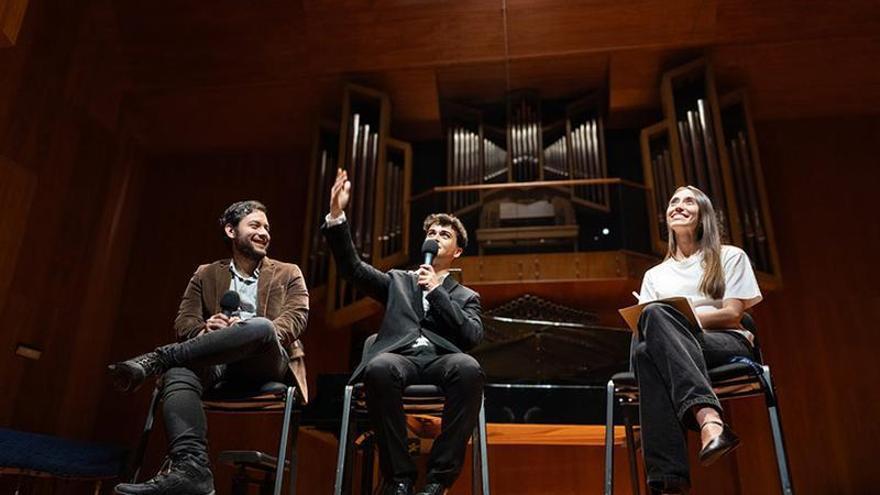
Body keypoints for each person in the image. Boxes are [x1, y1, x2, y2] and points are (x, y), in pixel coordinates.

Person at [108, 200, 309, 495]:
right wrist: (205, 329)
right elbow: (184, 322)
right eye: (255, 225)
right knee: (177, 373)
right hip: (216, 361)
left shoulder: (289, 272)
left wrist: (244, 332)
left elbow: (295, 319)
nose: (264, 233)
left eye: (267, 227)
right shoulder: (205, 273)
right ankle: (192, 469)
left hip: (264, 361)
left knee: (261, 327)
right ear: (231, 230)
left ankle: (157, 358)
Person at [322, 169, 484, 495]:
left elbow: (471, 336)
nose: (435, 236)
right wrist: (337, 216)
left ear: (457, 251)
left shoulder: (466, 296)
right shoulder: (398, 280)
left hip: (441, 359)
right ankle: (399, 477)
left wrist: (436, 292)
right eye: (432, 232)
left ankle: (438, 480)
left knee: (469, 368)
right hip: (402, 358)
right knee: (379, 367)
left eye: (444, 234)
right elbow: (353, 269)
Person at [633, 186, 762, 494]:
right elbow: (648, 329)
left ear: (703, 214)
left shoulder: (729, 256)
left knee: (656, 319)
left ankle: (705, 424)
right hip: (674, 350)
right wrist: (666, 322)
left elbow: (732, 314)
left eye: (688, 201)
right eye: (673, 202)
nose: (678, 206)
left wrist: (679, 320)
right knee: (644, 349)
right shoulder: (655, 275)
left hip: (725, 342)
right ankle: (674, 476)